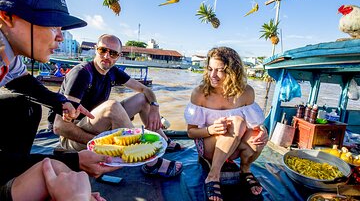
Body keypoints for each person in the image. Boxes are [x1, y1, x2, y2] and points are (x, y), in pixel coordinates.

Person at [0, 0, 119, 201]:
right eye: (52, 24)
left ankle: (14, 177)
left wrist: (60, 101)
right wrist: (74, 161)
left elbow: (21, 82)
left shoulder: (6, 50)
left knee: (26, 107)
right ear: (6, 17)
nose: (61, 37)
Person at [50, 34, 183, 177]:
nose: (107, 56)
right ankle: (150, 162)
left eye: (113, 53)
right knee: (112, 106)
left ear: (118, 56)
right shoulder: (81, 74)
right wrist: (104, 144)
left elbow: (145, 90)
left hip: (95, 124)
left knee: (143, 99)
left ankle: (163, 140)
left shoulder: (112, 71)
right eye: (103, 50)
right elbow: (59, 126)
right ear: (96, 49)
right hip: (71, 138)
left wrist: (155, 107)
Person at [184, 47, 269, 201]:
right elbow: (191, 133)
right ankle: (213, 176)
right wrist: (211, 129)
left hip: (234, 146)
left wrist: (262, 129)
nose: (212, 75)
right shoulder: (200, 93)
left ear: (233, 72)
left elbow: (254, 123)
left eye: (219, 70)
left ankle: (245, 169)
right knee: (236, 122)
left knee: (257, 136)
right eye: (210, 69)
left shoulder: (246, 92)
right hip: (208, 146)